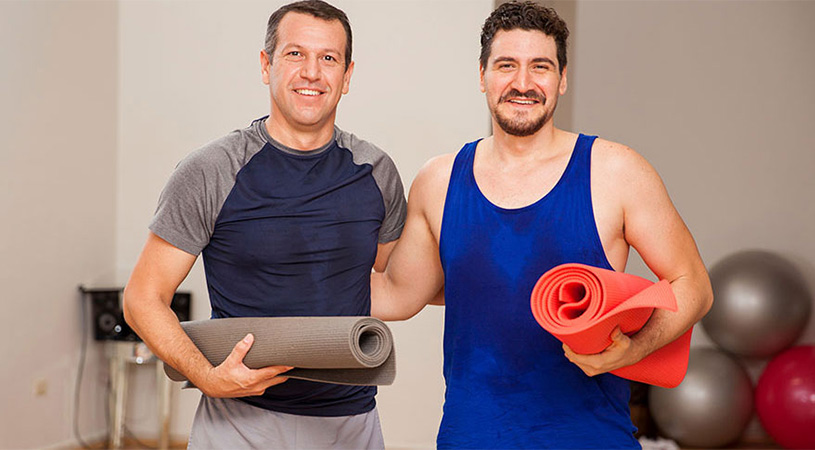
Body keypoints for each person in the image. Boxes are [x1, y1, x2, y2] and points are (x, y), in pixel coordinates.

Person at [370, 1, 713, 448]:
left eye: (541, 66)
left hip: (588, 437)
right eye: (506, 65)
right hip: (470, 436)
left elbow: (694, 285)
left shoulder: (615, 171)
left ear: (562, 79)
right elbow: (398, 292)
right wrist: (274, 275)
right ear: (482, 76)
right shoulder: (438, 181)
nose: (523, 83)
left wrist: (634, 349)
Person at [123, 1, 406, 448]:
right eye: (295, 54)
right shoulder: (211, 170)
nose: (312, 72)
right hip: (239, 422)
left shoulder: (377, 172)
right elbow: (142, 298)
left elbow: (389, 283)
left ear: (347, 75)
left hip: (351, 423)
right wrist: (207, 377)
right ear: (265, 64)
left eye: (328, 58)